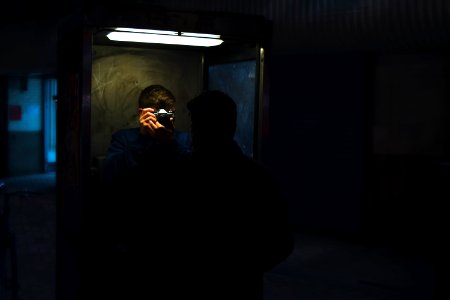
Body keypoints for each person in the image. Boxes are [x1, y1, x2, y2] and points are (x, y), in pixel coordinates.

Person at [175, 90, 294, 300]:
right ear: (232, 126)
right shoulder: (257, 177)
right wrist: (244, 267)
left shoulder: (182, 174)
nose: (193, 131)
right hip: (242, 288)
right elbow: (281, 242)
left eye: (197, 124)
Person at [81, 84, 192, 299]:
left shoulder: (183, 140)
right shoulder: (124, 139)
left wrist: (168, 143)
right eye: (157, 114)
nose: (163, 119)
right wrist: (143, 139)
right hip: (132, 233)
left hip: (174, 235)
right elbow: (111, 176)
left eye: (168, 115)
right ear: (142, 113)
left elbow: (193, 176)